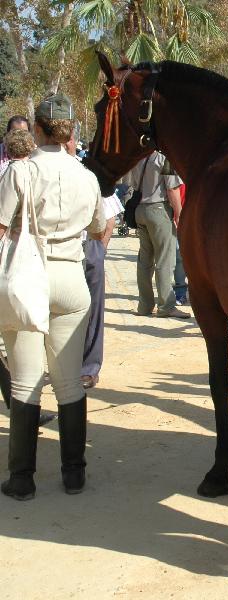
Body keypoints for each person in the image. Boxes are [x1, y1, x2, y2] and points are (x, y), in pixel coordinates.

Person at [0, 93, 107, 500]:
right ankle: (74, 473)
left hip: (29, 275)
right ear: (70, 130)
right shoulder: (87, 176)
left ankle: (22, 478)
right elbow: (98, 228)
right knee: (69, 382)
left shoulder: (20, 171)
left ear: (38, 128)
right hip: (71, 276)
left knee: (25, 381)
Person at [63, 126, 124, 389]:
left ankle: (88, 368)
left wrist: (99, 250)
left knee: (92, 312)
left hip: (87, 248)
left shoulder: (88, 173)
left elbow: (109, 216)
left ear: (74, 142)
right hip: (54, 252)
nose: (65, 144)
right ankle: (59, 366)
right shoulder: (36, 169)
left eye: (69, 139)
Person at [122, 151, 189, 318]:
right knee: (165, 260)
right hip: (159, 210)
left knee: (144, 261)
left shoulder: (138, 157)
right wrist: (179, 214)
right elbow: (172, 189)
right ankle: (166, 306)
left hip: (140, 209)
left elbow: (130, 184)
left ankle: (144, 305)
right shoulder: (165, 159)